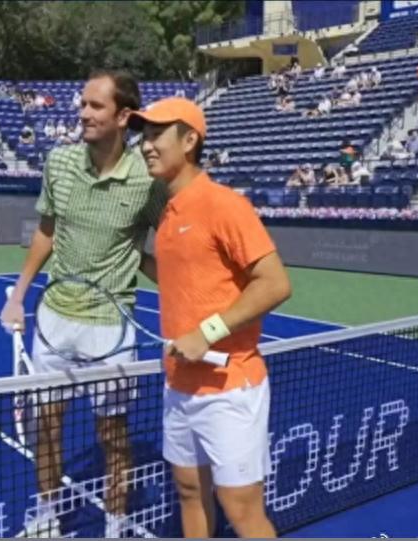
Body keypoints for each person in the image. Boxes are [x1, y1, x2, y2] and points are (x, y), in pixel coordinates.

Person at [0, 69, 167, 539]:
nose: (84, 113)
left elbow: (171, 247)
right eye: (83, 104)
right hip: (54, 321)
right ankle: (47, 515)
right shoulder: (59, 162)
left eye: (95, 106)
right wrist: (18, 296)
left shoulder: (147, 180)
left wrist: (184, 290)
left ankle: (116, 523)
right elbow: (46, 232)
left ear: (124, 116)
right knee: (47, 427)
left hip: (111, 328)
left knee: (112, 436)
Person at [127, 97, 290, 538]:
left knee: (241, 508)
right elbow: (181, 280)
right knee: (188, 492)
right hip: (179, 385)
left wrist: (207, 332)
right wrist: (132, 258)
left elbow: (275, 283)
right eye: (144, 137)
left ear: (190, 141)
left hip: (229, 387)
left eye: (157, 134)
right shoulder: (168, 214)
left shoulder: (224, 204)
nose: (146, 145)